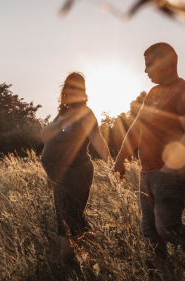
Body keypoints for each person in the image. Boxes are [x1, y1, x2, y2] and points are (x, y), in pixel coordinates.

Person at [113, 43, 185, 270]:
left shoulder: (184, 90)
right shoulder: (153, 93)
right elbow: (135, 129)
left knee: (168, 228)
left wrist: (168, 168)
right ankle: (160, 273)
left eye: (148, 66)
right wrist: (120, 159)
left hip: (171, 173)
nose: (145, 72)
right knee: (150, 231)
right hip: (147, 172)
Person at [41, 72, 111, 266]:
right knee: (72, 215)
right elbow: (54, 146)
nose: (71, 90)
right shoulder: (61, 113)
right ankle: (97, 257)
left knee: (67, 216)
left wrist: (112, 165)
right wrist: (50, 174)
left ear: (82, 91)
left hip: (77, 171)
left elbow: (97, 139)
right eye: (68, 86)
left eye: (76, 87)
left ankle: (66, 259)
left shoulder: (85, 113)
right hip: (58, 174)